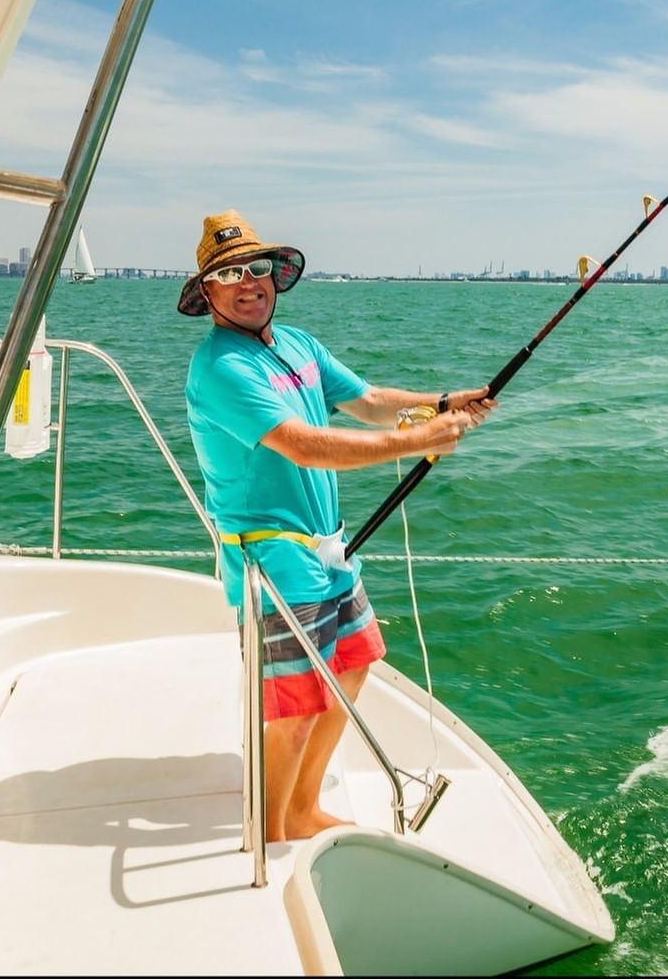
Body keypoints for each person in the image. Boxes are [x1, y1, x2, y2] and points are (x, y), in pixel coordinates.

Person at [180, 210, 493, 840]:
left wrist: (443, 403)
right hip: (273, 559)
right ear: (207, 292)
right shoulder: (220, 367)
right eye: (229, 274)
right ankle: (272, 830)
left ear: (275, 275)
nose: (248, 283)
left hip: (331, 550)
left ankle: (300, 808)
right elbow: (302, 445)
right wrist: (420, 441)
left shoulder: (298, 345)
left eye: (256, 268)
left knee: (353, 665)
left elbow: (369, 402)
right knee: (295, 708)